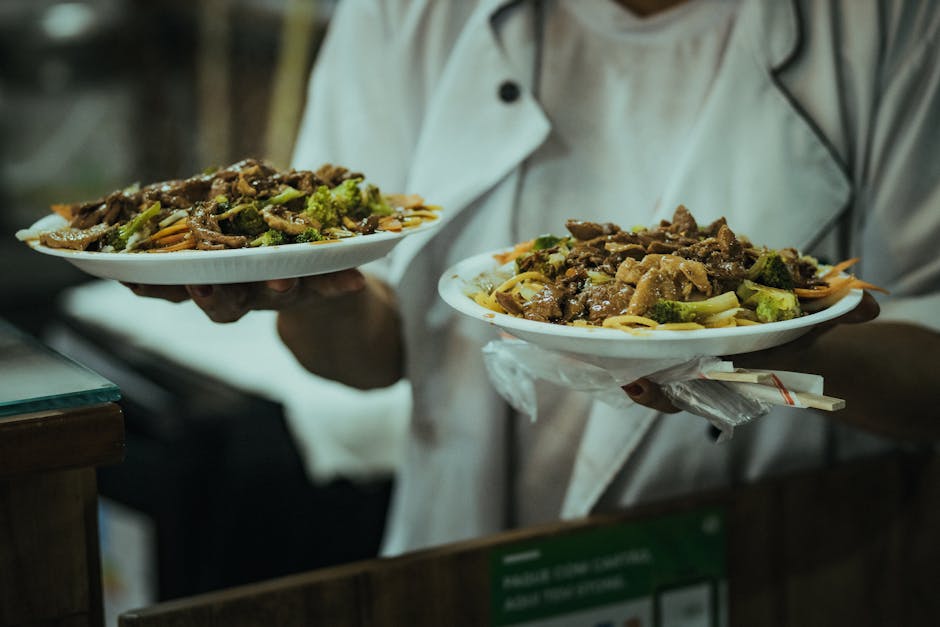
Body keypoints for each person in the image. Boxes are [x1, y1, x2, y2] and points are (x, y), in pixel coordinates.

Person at [129, 0, 940, 556]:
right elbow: (369, 355)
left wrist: (777, 347)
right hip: (466, 557)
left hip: (780, 561)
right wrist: (303, 285)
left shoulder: (892, 22)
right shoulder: (405, 13)